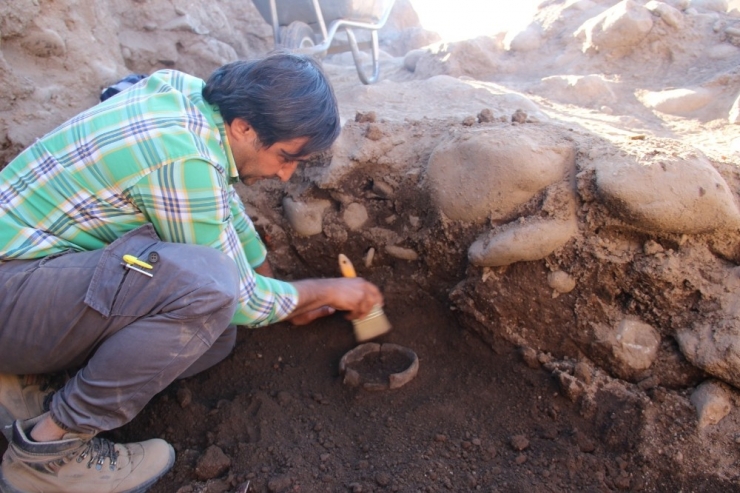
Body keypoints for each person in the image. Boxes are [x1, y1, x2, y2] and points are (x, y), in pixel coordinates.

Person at [0, 51, 383, 492]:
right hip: (15, 287)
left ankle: (27, 377)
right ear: (244, 128)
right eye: (285, 157)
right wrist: (323, 291)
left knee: (213, 335)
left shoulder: (186, 97)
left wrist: (274, 277)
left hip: (33, 276)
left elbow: (223, 209)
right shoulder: (182, 158)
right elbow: (240, 298)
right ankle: (49, 453)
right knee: (209, 290)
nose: (285, 174)